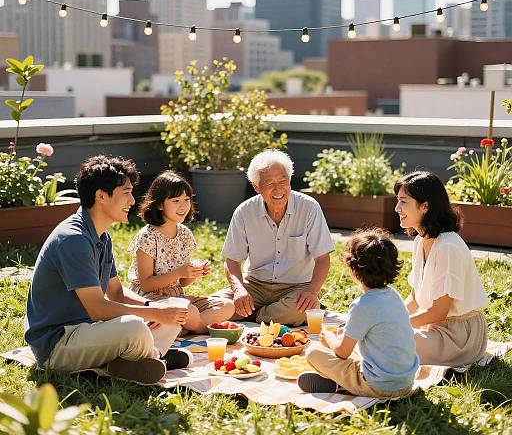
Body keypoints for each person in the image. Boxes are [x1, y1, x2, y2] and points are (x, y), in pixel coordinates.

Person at [25, 155, 192, 385]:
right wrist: (152, 314)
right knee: (135, 327)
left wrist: (154, 307)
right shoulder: (73, 239)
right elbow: (97, 308)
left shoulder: (102, 236)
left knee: (176, 308)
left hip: (89, 330)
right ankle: (154, 358)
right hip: (59, 344)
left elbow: (117, 293)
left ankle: (141, 359)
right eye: (126, 193)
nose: (133, 200)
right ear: (101, 196)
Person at [214, 149, 335, 325]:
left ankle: (254, 316)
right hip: (255, 286)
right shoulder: (244, 212)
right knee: (217, 307)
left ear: (290, 181)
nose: (278, 188)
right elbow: (232, 261)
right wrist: (239, 290)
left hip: (296, 287)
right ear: (256, 187)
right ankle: (264, 316)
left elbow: (323, 258)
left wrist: (312, 291)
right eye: (269, 183)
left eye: (282, 181)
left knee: (302, 310)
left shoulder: (309, 208)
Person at [299, 228, 419, 398]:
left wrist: (328, 336)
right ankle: (341, 383)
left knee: (313, 352)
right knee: (355, 350)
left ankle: (344, 385)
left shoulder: (362, 305)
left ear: (354, 270)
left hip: (379, 385)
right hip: (406, 382)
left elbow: (342, 352)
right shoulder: (394, 295)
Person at [394, 171, 488, 366]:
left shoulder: (447, 246)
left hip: (459, 336)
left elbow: (439, 312)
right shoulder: (421, 241)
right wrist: (389, 318)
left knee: (387, 343)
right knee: (378, 338)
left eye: (403, 202)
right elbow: (415, 298)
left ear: (425, 206)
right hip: (435, 328)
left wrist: (395, 326)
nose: (396, 208)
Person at [128, 170, 235, 333]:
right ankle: (201, 329)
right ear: (159, 204)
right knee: (190, 312)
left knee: (227, 306)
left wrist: (193, 273)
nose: (183, 206)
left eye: (187, 199)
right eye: (176, 200)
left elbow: (182, 283)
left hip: (177, 298)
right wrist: (179, 272)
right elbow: (146, 284)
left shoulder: (184, 234)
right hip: (151, 301)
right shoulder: (147, 236)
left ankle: (180, 329)